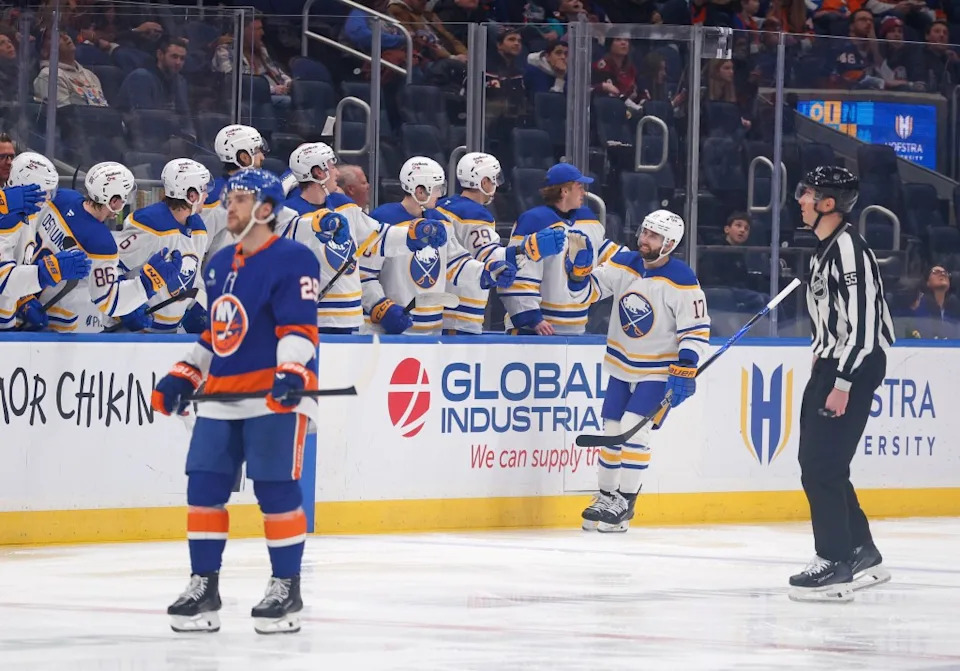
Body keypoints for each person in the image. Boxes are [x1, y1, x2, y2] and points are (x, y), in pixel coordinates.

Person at [153, 168, 320, 635]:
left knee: (275, 490)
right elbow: (218, 331)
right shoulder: (220, 261)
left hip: (274, 396)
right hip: (223, 395)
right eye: (229, 200)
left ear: (266, 209)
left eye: (241, 200)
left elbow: (299, 328)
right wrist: (184, 373)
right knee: (203, 488)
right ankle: (203, 586)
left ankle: (287, 588)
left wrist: (291, 372)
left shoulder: (294, 259)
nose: (231, 207)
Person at [790, 166, 895, 602]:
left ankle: (834, 560)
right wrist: (821, 348)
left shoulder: (849, 248)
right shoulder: (823, 249)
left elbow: (866, 325)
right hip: (834, 363)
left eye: (808, 193)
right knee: (817, 463)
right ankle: (859, 548)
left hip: (852, 366)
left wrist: (843, 381)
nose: (800, 199)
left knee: (822, 467)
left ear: (828, 203)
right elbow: (833, 314)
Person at [571, 210, 710, 532]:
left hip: (657, 370)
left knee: (634, 430)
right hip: (622, 364)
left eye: (653, 236)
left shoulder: (682, 279)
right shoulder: (625, 263)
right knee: (610, 431)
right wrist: (578, 273)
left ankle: (626, 502)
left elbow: (697, 328)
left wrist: (686, 364)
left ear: (669, 243)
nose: (644, 239)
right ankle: (606, 496)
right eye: (645, 232)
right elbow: (589, 293)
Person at [283, 142, 431, 334]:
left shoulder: (344, 206)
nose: (336, 173)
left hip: (351, 317)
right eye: (331, 166)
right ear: (318, 172)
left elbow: (376, 236)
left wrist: (413, 235)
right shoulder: (290, 213)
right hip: (312, 319)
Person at [362, 156, 516, 335]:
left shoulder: (440, 222)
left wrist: (486, 272)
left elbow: (456, 263)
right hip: (386, 332)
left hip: (432, 332)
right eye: (436, 188)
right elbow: (364, 273)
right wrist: (380, 307)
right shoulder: (382, 221)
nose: (440, 194)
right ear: (419, 191)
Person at [30, 161, 183, 333]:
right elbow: (109, 301)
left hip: (23, 299)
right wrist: (149, 282)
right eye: (124, 197)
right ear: (113, 200)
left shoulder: (63, 197)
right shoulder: (100, 242)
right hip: (54, 321)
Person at [436, 152, 565, 334]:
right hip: (459, 316)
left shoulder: (441, 206)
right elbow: (490, 259)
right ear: (483, 182)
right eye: (494, 179)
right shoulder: (476, 215)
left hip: (436, 311)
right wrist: (526, 249)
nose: (496, 184)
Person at [499, 163, 622, 335]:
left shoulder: (587, 218)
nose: (583, 193)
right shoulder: (533, 221)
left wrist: (633, 261)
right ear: (564, 191)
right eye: (579, 187)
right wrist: (533, 318)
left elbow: (603, 251)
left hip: (576, 327)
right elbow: (518, 269)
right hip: (535, 330)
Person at [112, 159, 212, 333]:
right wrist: (126, 309)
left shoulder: (198, 227)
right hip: (134, 333)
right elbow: (112, 267)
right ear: (191, 195)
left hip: (170, 335)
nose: (207, 195)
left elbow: (191, 278)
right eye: (203, 189)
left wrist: (198, 309)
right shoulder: (149, 223)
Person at [0, 154, 85, 330]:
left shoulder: (28, 215)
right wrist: (44, 273)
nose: (48, 199)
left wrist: (23, 299)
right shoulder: (6, 220)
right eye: (44, 192)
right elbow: (2, 280)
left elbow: (15, 265)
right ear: (24, 185)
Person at [201, 125, 298, 266]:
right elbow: (199, 247)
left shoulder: (260, 191)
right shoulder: (212, 198)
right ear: (244, 157)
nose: (262, 157)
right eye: (258, 151)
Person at [33, 31, 108, 108]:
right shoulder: (49, 76)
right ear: (44, 52)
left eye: (64, 34)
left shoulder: (90, 75)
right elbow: (64, 116)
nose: (66, 37)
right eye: (56, 37)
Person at [904, 265, 960, 339]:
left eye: (945, 273)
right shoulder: (918, 305)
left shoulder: (956, 307)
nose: (942, 274)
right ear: (927, 282)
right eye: (936, 272)